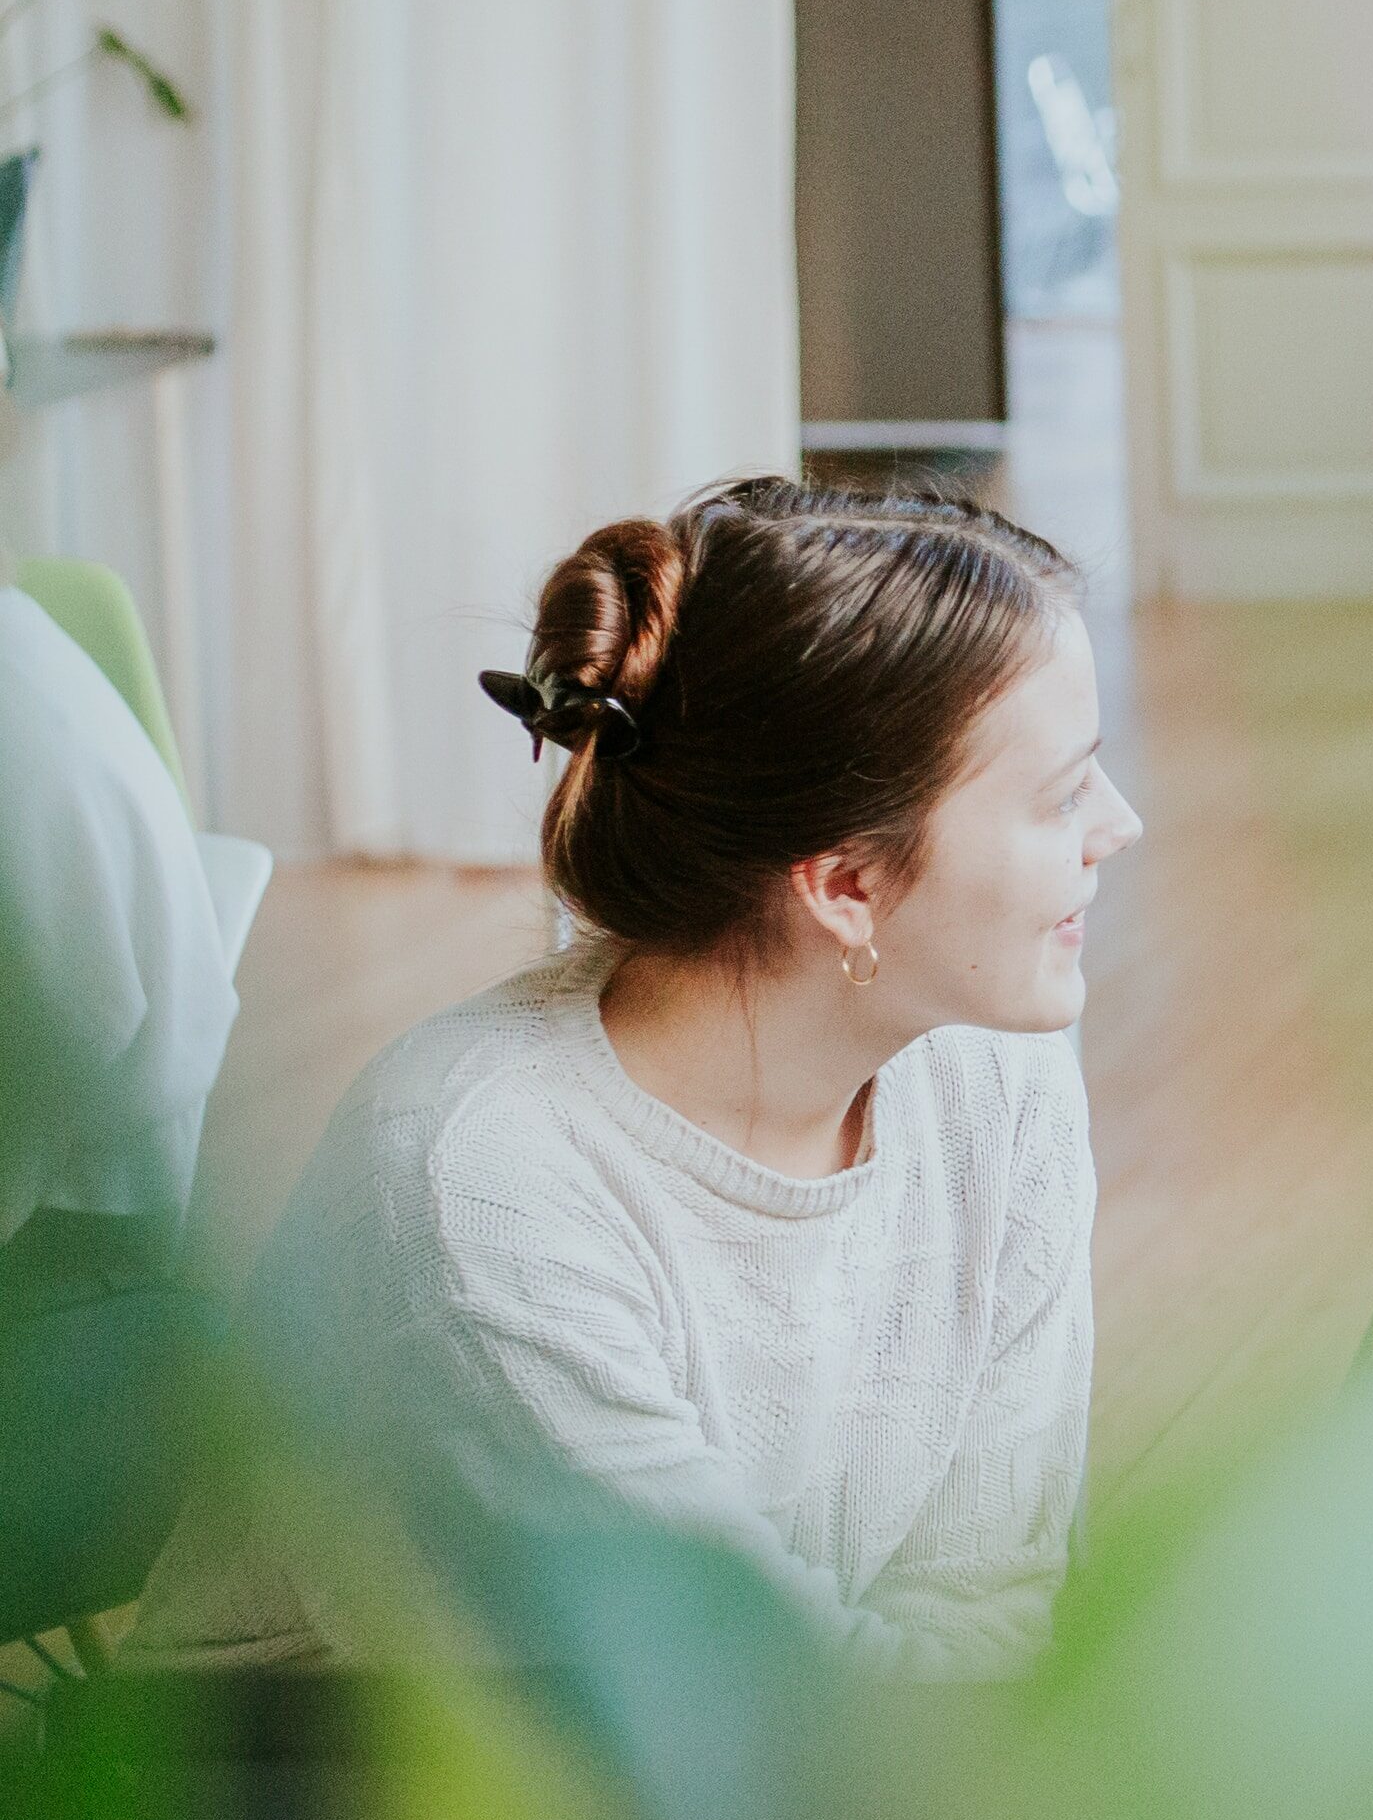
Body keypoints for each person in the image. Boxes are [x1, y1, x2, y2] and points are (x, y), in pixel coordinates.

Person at [131, 479, 1142, 1677]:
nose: (1117, 824)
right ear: (845, 885)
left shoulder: (999, 1076)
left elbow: (993, 1594)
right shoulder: (481, 1191)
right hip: (341, 1810)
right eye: (1062, 790)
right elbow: (759, 1710)